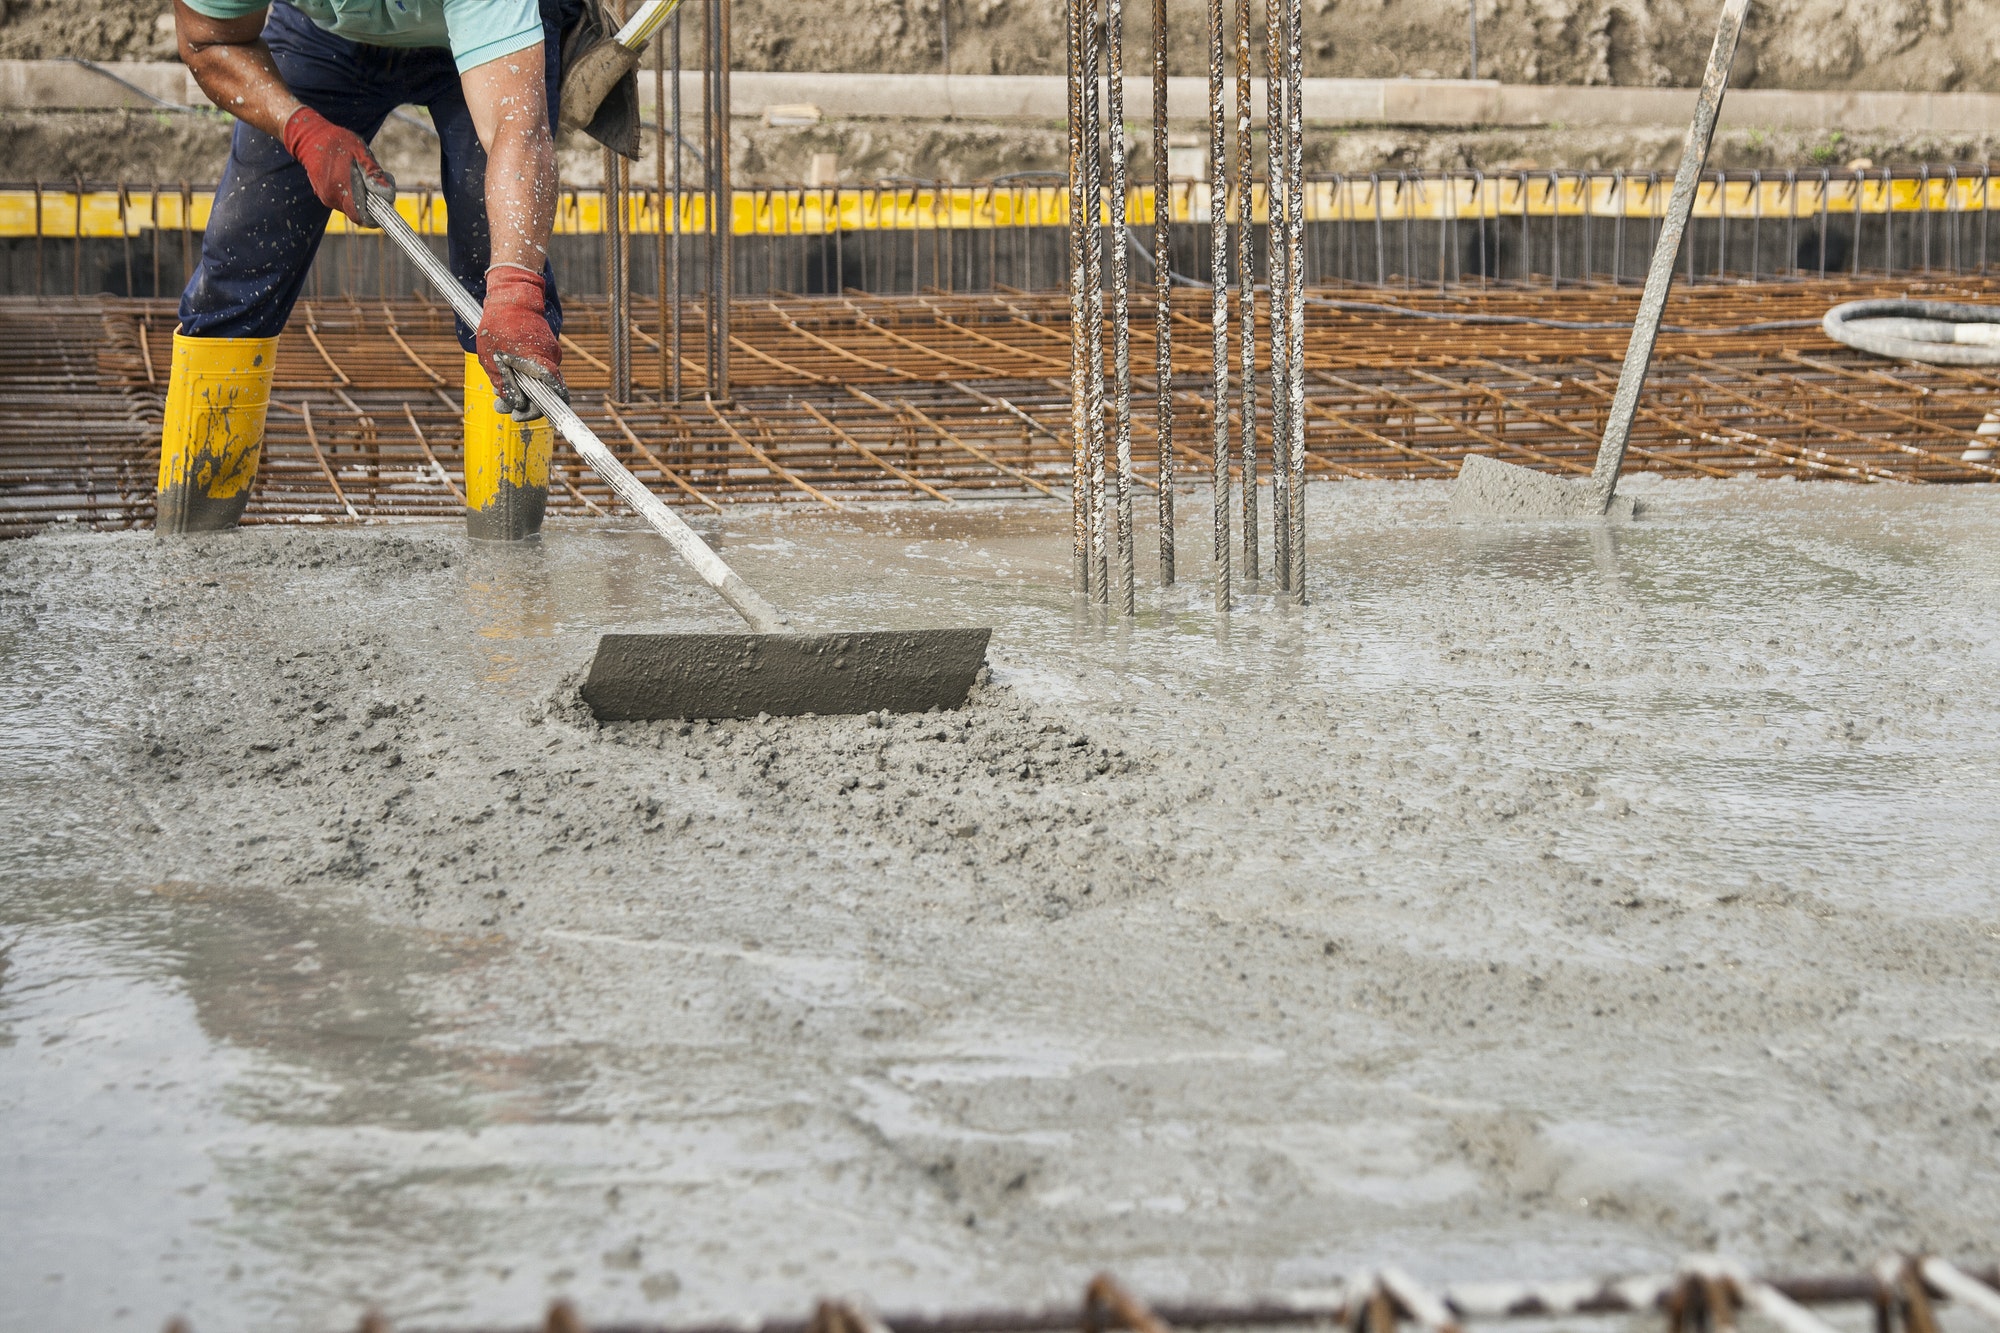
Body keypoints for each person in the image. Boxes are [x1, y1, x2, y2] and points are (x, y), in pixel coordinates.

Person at [157, 0, 584, 541]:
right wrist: (300, 129)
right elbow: (208, 40)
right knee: (240, 265)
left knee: (501, 279)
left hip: (481, 33)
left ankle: (511, 563)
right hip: (322, 39)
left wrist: (518, 292)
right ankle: (192, 546)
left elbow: (515, 126)